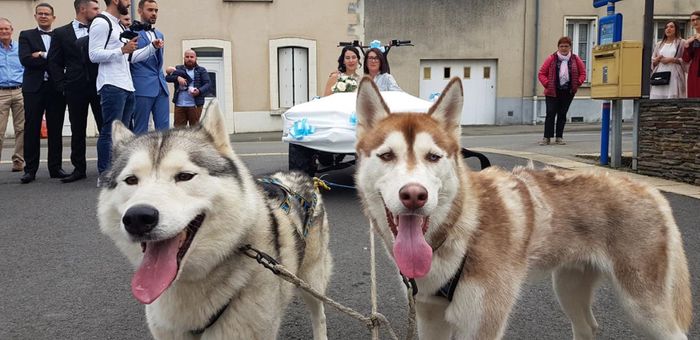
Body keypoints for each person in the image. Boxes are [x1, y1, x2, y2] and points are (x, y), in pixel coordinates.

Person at [89, 0, 162, 185]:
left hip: (127, 85)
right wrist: (121, 49)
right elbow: (94, 54)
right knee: (109, 132)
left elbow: (131, 57)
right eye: (126, 1)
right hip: (111, 84)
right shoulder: (101, 22)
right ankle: (105, 176)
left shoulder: (118, 24)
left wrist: (152, 47)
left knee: (124, 133)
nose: (129, 3)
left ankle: (120, 171)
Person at [49, 0, 103, 183]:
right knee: (77, 129)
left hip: (99, 86)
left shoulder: (101, 28)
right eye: (95, 8)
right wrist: (61, 85)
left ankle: (109, 167)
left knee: (105, 128)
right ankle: (79, 168)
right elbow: (54, 62)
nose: (99, 11)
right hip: (74, 88)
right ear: (82, 9)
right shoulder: (60, 33)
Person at [18, 3, 68, 183]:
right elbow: (25, 60)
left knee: (56, 128)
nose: (44, 16)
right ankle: (30, 170)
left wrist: (40, 55)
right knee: (31, 128)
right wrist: (49, 59)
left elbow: (63, 60)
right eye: (40, 13)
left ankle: (55, 168)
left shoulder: (60, 35)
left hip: (55, 88)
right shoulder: (26, 35)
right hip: (33, 88)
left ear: (53, 17)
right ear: (36, 16)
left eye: (47, 14)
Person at [537, 36, 586, 146]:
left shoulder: (575, 59)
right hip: (552, 91)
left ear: (570, 47)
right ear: (558, 47)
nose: (564, 48)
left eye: (566, 46)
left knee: (562, 114)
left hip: (568, 92)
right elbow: (541, 73)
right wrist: (547, 84)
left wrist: (577, 83)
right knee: (550, 113)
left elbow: (583, 73)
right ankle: (547, 137)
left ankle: (559, 137)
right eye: (561, 46)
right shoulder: (551, 58)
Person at [130, 0, 169, 134]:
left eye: (156, 10)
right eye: (150, 10)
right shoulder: (132, 32)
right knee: (140, 130)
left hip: (161, 87)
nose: (154, 13)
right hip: (142, 86)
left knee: (164, 130)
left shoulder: (160, 34)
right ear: (140, 11)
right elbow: (131, 59)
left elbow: (158, 62)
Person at [0, 18, 25, 173]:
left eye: (6, 29)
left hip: (19, 91)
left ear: (12, 30)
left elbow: (26, 67)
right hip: (1, 92)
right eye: (0, 29)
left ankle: (18, 160)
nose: (3, 32)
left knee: (21, 128)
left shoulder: (20, 48)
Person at [165, 49, 211, 127]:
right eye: (187, 57)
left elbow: (208, 84)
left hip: (195, 105)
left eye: (191, 57)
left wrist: (199, 91)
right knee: (178, 132)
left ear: (196, 58)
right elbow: (167, 78)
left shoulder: (201, 70)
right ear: (184, 58)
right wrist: (177, 78)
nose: (189, 59)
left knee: (195, 131)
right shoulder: (178, 68)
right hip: (179, 104)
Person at [650, 21, 687, 99]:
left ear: (676, 29)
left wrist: (672, 59)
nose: (668, 29)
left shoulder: (681, 43)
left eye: (671, 27)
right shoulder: (659, 44)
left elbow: (686, 60)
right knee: (657, 98)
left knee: (672, 99)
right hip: (660, 73)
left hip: (674, 74)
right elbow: (653, 60)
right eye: (666, 27)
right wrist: (657, 59)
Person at [682, 11, 700, 98]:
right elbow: (686, 59)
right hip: (695, 70)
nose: (695, 22)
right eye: (693, 20)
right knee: (694, 97)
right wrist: (686, 46)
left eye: (698, 19)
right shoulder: (692, 38)